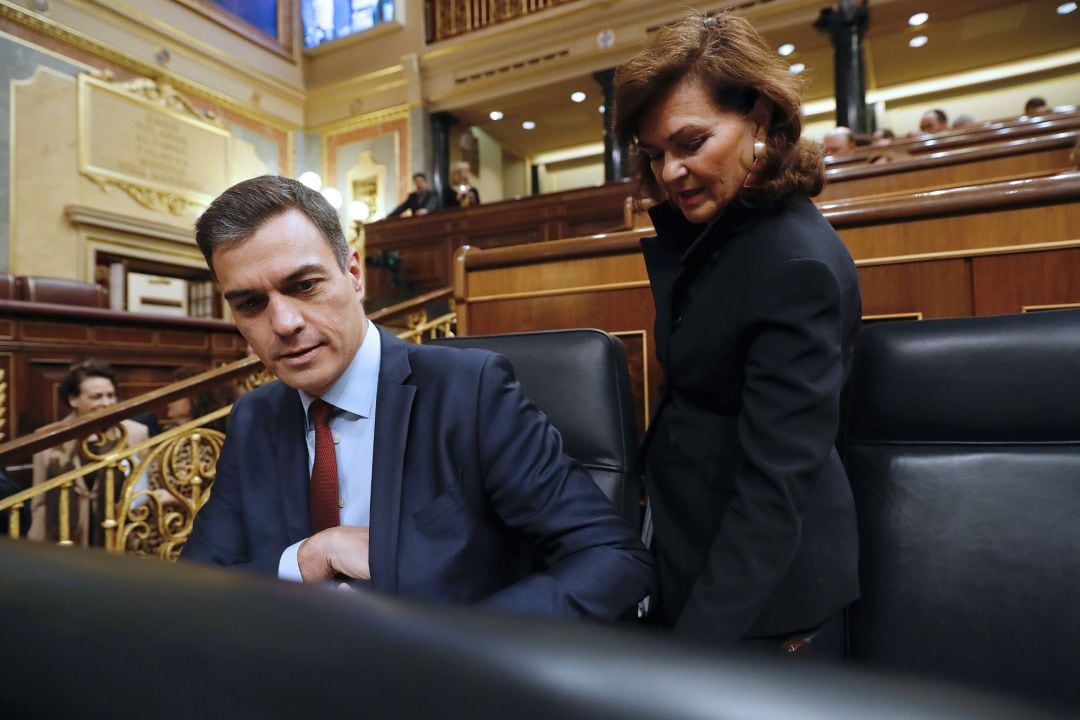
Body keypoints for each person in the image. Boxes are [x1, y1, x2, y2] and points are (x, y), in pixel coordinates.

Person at [182, 175, 653, 620]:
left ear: (354, 274)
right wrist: (306, 558)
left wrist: (446, 649)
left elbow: (611, 558)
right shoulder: (255, 417)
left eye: (304, 285)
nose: (284, 323)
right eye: (250, 304)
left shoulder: (471, 391)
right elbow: (194, 591)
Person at [613, 11, 861, 652]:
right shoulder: (725, 234)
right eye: (655, 154)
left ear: (759, 116)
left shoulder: (792, 261)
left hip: (765, 610)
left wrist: (698, 647)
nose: (668, 173)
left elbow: (775, 491)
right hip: (701, 562)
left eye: (690, 143)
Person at [28, 359, 152, 546]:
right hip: (67, 542)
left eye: (111, 395)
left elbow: (143, 491)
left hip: (118, 541)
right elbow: (40, 504)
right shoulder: (47, 439)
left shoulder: (135, 433)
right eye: (97, 397)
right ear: (73, 399)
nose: (106, 402)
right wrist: (35, 548)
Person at [164, 365, 237, 434]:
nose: (171, 397)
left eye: (178, 392)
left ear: (198, 398)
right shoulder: (169, 431)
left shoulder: (214, 439)